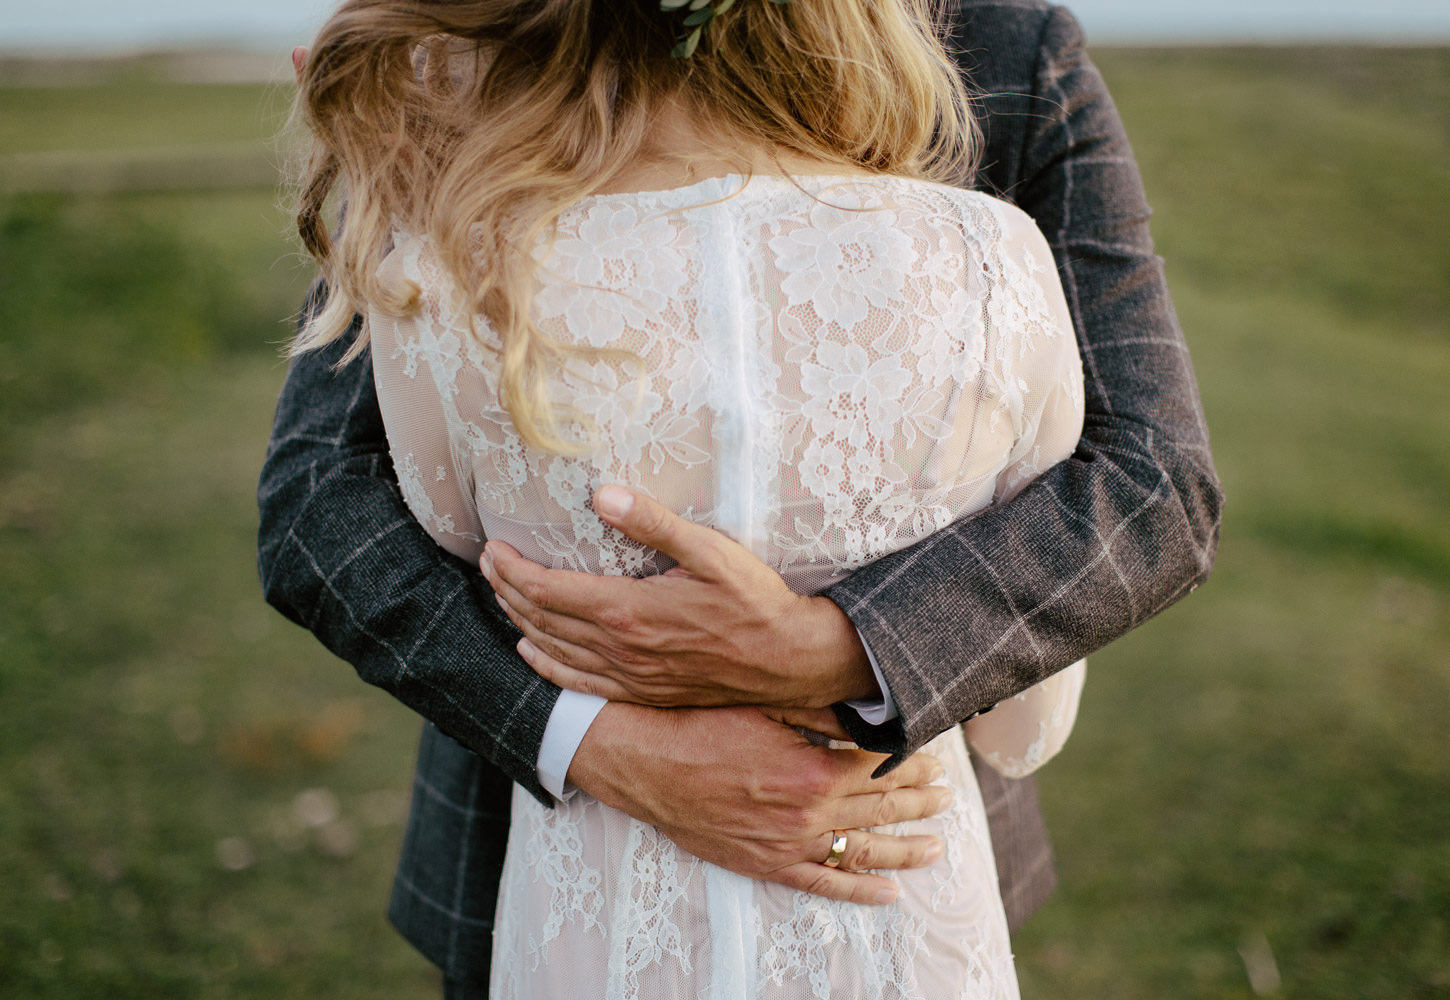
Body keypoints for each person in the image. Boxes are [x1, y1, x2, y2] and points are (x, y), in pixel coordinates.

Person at [256, 0, 1222, 996]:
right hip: (539, 819)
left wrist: (840, 649)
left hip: (889, 839)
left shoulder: (1013, 48)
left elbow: (1155, 480)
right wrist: (591, 739)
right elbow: (317, 503)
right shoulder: (491, 23)